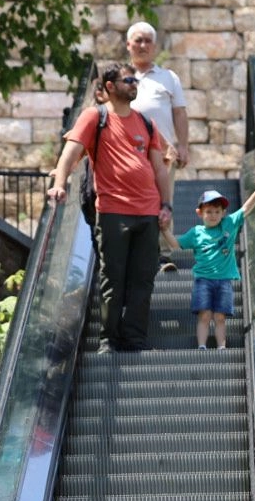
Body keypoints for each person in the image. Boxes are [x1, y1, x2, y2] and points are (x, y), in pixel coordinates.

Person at [47, 62, 174, 352]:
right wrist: (60, 183)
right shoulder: (95, 116)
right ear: (109, 86)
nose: (134, 84)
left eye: (135, 80)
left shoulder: (146, 123)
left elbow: (159, 168)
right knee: (113, 279)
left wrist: (166, 204)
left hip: (148, 212)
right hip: (113, 210)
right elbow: (70, 153)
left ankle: (135, 340)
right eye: (128, 80)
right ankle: (109, 341)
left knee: (143, 280)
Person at [161, 180, 255, 350]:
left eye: (217, 212)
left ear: (223, 213)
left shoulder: (228, 224)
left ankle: (221, 347)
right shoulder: (196, 232)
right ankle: (202, 345)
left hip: (224, 281)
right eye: (208, 211)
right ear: (199, 213)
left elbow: (245, 209)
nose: (213, 215)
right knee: (204, 315)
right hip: (203, 280)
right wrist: (165, 230)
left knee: (220, 317)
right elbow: (175, 245)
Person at [127, 22, 189, 275]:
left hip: (162, 154)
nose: (143, 45)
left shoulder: (168, 78)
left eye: (147, 41)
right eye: (138, 40)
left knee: (164, 201)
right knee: (131, 203)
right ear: (128, 45)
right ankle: (134, 255)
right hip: (127, 154)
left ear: (154, 46)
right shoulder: (121, 77)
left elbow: (179, 113)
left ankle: (162, 256)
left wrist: (183, 145)